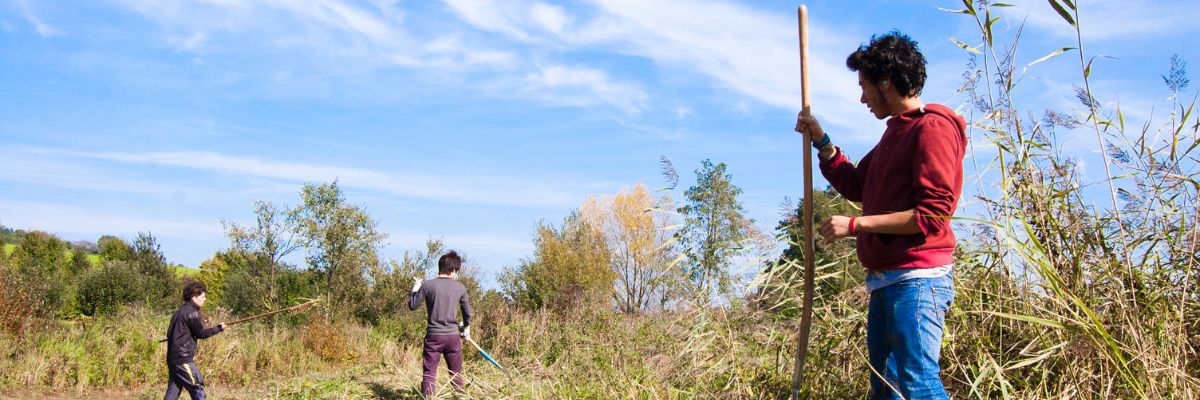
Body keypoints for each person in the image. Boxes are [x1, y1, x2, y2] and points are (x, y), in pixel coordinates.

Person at [794, 30, 966, 400]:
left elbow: (932, 215)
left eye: (864, 86)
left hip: (918, 280)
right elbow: (859, 184)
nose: (862, 98)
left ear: (885, 82)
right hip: (887, 282)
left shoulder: (932, 128)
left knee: (918, 383)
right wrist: (822, 142)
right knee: (886, 389)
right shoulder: (896, 134)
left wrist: (856, 225)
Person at [409, 250, 473, 396]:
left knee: (429, 373)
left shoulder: (427, 285)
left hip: (433, 337)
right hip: (452, 337)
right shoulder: (460, 287)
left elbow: (412, 305)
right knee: (455, 373)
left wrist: (416, 288)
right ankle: (460, 397)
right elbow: (467, 313)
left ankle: (428, 397)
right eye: (457, 271)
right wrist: (466, 327)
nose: (457, 275)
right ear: (452, 270)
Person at [164, 281, 226, 400]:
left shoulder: (178, 313)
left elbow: (170, 334)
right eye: (202, 296)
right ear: (194, 297)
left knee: (173, 391)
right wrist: (218, 328)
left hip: (172, 359)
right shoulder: (191, 313)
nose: (205, 299)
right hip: (182, 359)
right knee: (197, 386)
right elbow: (201, 333)